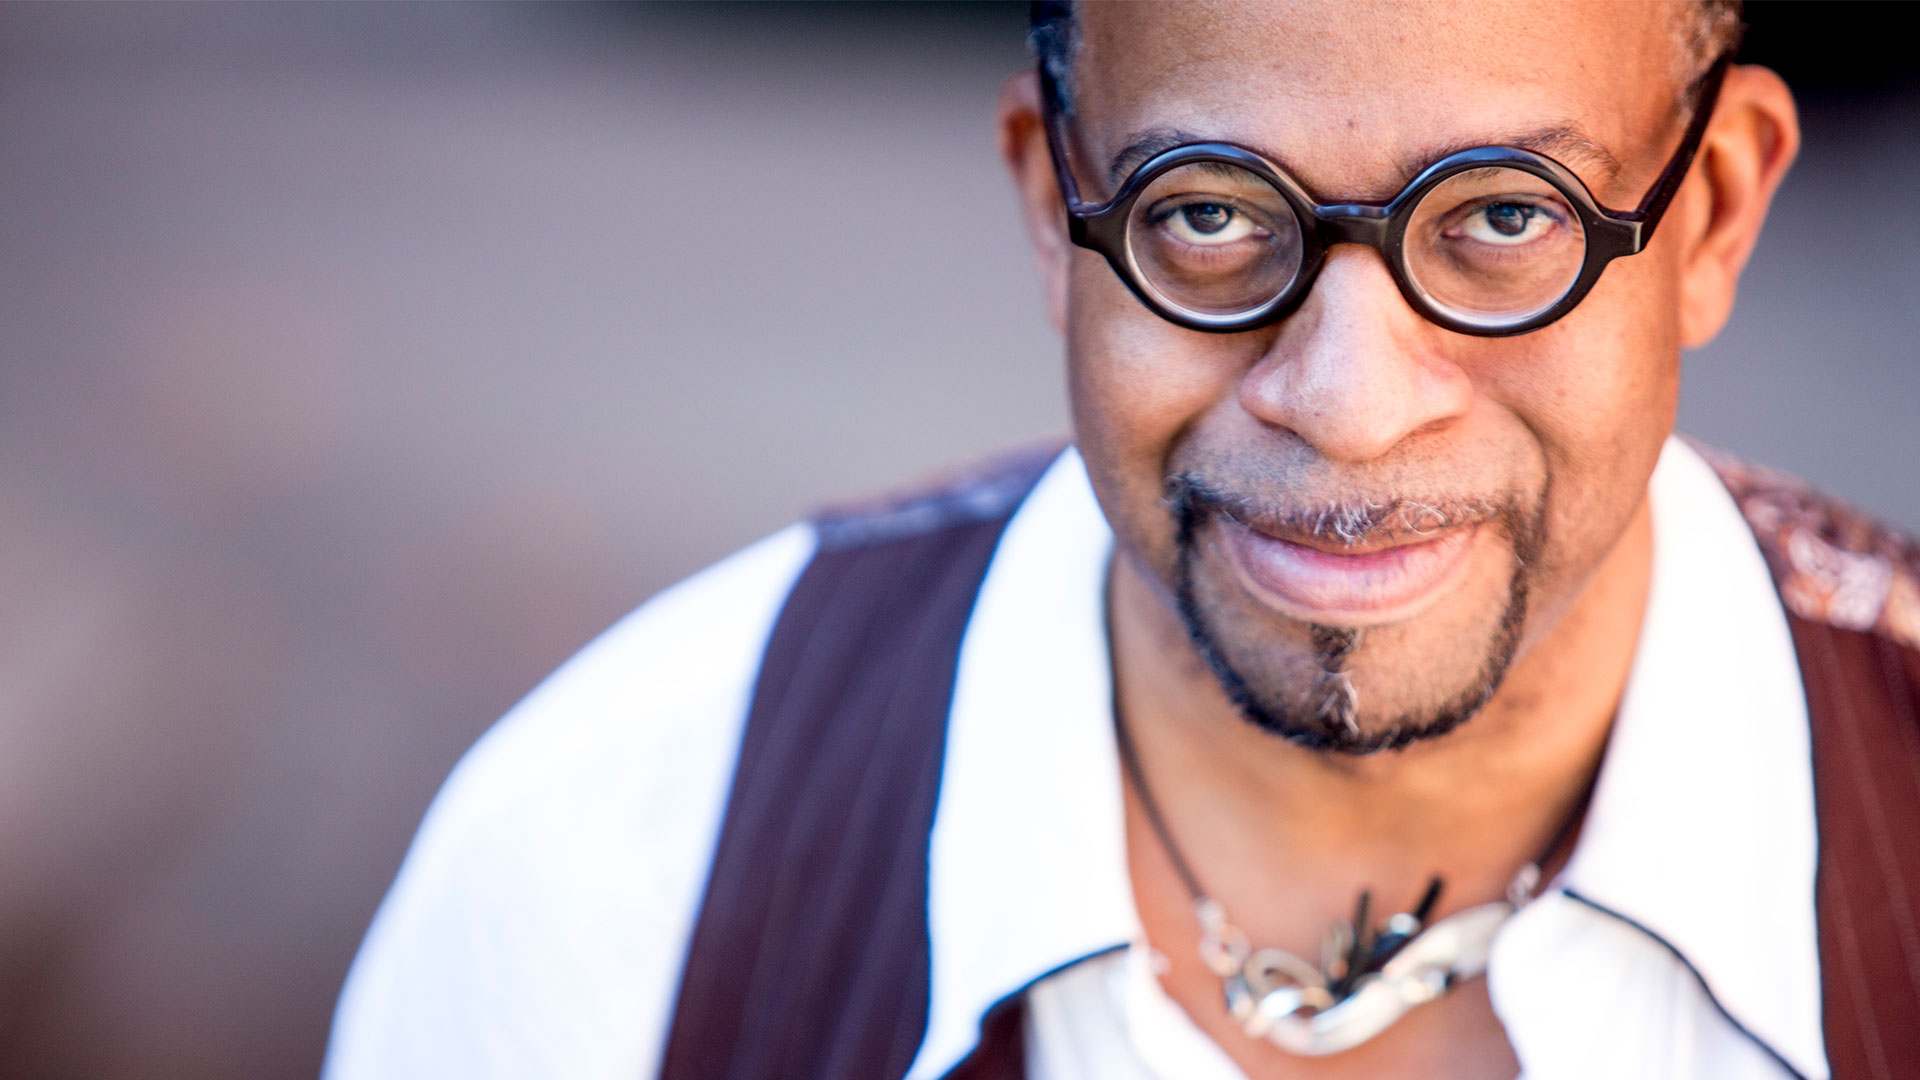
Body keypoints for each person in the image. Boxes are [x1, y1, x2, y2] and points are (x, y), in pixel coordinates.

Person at [324, 2, 1920, 1078]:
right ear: (1050, 203)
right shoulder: (624, 854)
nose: (1351, 410)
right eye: (1210, 214)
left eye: (1509, 219)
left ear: (1710, 214)